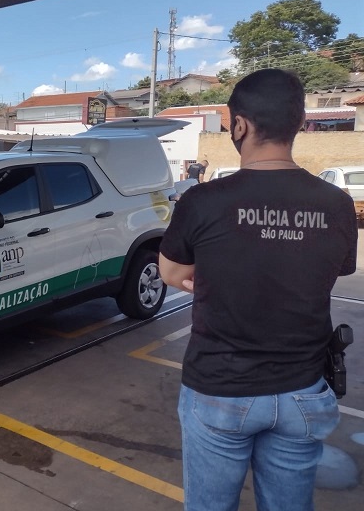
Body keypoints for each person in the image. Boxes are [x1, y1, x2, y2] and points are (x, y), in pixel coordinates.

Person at [158, 68, 357, 511]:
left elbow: (170, 272)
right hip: (304, 390)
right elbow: (336, 269)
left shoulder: (203, 200)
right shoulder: (337, 203)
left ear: (240, 125)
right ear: (300, 126)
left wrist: (217, 273)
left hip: (220, 389)